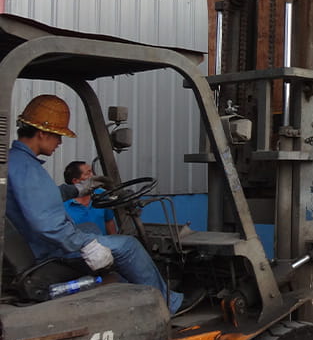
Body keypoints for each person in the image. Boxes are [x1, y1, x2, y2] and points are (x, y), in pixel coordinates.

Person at [5, 94, 202, 316]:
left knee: (89, 228)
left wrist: (77, 189)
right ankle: (170, 303)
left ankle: (133, 288)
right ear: (42, 133)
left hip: (34, 246)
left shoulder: (16, 162)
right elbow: (45, 222)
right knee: (128, 246)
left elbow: (42, 199)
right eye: (57, 136)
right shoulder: (27, 170)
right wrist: (85, 245)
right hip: (45, 253)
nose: (59, 142)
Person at [63, 161, 117, 235]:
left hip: (103, 244)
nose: (93, 176)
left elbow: (109, 222)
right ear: (75, 181)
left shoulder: (102, 195)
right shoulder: (63, 205)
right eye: (88, 173)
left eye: (92, 172)